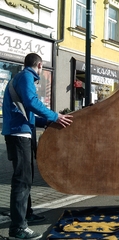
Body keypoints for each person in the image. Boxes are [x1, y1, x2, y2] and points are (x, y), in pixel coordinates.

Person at [2, 53, 73, 239]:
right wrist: (55, 116)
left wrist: (47, 122)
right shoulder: (26, 76)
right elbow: (31, 103)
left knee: (27, 176)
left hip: (21, 132)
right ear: (39, 65)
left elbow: (28, 112)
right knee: (22, 180)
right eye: (42, 68)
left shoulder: (20, 77)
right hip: (19, 134)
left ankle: (27, 214)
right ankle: (18, 227)